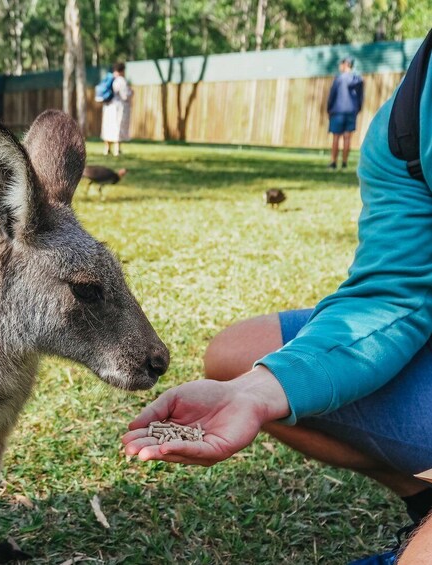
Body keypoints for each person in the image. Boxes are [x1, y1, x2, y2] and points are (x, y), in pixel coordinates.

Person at [124, 34, 432, 565]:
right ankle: (423, 498)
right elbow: (393, 294)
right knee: (239, 357)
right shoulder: (410, 113)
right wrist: (258, 391)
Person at [327, 57, 364, 170]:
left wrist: (329, 108)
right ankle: (344, 163)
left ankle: (333, 162)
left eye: (341, 64)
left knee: (336, 137)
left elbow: (332, 95)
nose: (340, 66)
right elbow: (360, 97)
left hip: (338, 111)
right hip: (351, 111)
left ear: (346, 65)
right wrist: (358, 109)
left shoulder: (339, 79)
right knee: (347, 138)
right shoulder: (358, 79)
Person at [100, 62, 133, 157]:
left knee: (108, 127)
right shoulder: (121, 80)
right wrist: (131, 92)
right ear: (122, 70)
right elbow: (125, 95)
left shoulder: (109, 78)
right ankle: (117, 150)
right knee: (117, 127)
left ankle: (107, 149)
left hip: (108, 106)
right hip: (118, 107)